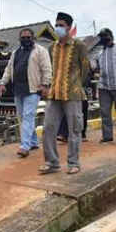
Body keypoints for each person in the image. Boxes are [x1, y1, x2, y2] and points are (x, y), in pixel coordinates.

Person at [39, 12, 91, 175]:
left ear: (69, 27)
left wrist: (77, 84)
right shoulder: (51, 47)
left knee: (74, 129)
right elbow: (49, 69)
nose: (58, 28)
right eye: (57, 25)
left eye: (61, 25)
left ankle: (73, 163)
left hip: (73, 94)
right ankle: (52, 162)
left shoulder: (79, 46)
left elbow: (85, 68)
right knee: (48, 127)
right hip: (54, 94)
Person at [0, 28, 52, 157]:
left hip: (34, 89)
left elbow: (47, 69)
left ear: (33, 38)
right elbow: (9, 69)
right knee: (23, 117)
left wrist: (45, 84)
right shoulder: (15, 52)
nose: (26, 39)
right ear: (19, 39)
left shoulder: (40, 51)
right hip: (18, 90)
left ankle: (24, 146)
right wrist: (2, 83)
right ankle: (33, 142)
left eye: (28, 37)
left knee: (28, 116)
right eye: (23, 37)